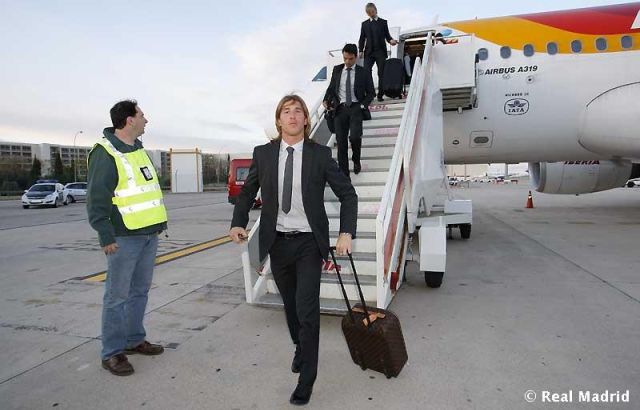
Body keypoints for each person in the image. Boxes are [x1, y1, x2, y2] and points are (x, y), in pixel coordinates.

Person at [229, 94, 358, 406]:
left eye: (298, 111)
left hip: (309, 243)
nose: (292, 115)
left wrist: (346, 232)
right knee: (290, 306)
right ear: (278, 120)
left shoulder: (320, 155)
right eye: (286, 111)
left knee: (307, 309)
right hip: (278, 242)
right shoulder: (263, 154)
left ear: (305, 119)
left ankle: (306, 381)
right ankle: (300, 344)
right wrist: (238, 222)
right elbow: (248, 192)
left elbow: (348, 194)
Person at [87, 100, 167, 376]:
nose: (146, 119)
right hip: (123, 237)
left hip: (148, 234)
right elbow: (97, 197)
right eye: (142, 115)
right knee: (116, 296)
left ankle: (134, 339)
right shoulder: (105, 152)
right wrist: (105, 234)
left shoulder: (138, 150)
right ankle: (112, 352)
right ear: (129, 120)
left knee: (139, 292)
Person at [323, 43, 375, 177]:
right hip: (340, 109)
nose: (347, 61)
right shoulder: (337, 70)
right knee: (341, 142)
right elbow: (331, 88)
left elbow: (371, 93)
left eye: (350, 59)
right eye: (345, 58)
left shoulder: (363, 72)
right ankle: (344, 175)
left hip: (356, 108)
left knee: (355, 137)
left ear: (356, 57)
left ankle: (356, 160)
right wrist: (325, 100)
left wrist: (363, 105)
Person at [358, 2, 398, 102]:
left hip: (380, 52)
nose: (371, 14)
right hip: (369, 52)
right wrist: (360, 50)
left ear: (376, 10)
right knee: (366, 71)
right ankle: (371, 93)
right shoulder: (364, 24)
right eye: (368, 13)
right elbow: (362, 38)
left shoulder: (383, 22)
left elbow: (387, 36)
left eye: (372, 11)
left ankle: (380, 94)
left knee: (381, 73)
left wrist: (391, 41)